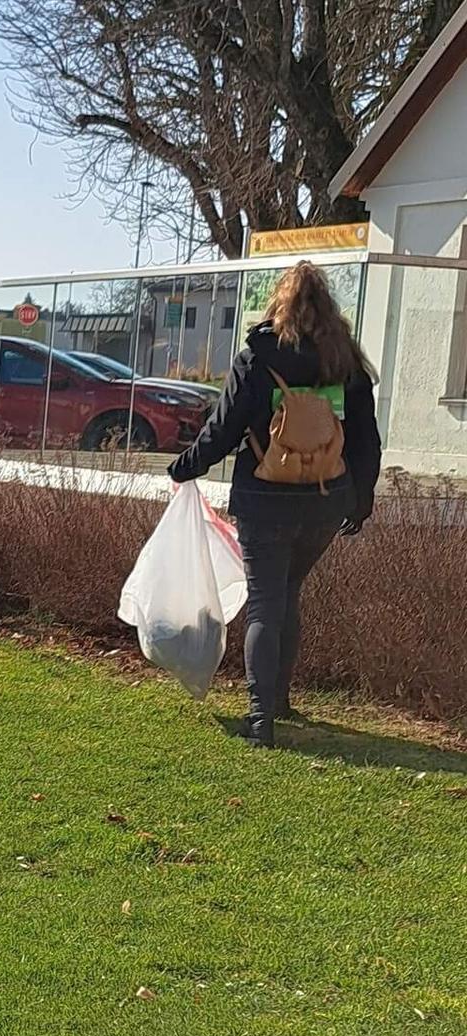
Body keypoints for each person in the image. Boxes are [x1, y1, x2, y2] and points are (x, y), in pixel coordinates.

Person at [168, 261, 381, 747]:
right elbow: (367, 440)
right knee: (287, 595)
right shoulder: (345, 362)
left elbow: (221, 430)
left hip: (265, 499)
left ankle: (261, 719)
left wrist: (184, 468)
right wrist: (360, 499)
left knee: (266, 603)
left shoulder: (259, 356)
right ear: (329, 307)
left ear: (279, 303)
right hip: (326, 502)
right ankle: (278, 700)